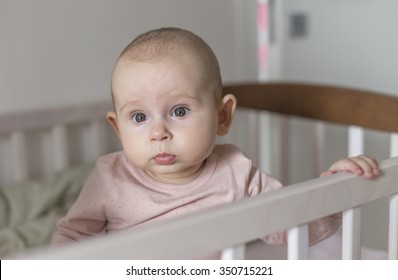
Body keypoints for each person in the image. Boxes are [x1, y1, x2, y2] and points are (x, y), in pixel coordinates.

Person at [51, 27, 380, 257]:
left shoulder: (236, 172)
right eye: (139, 117)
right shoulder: (110, 178)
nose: (158, 132)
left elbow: (294, 226)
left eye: (179, 111)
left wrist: (335, 191)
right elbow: (73, 238)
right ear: (117, 128)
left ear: (223, 117)